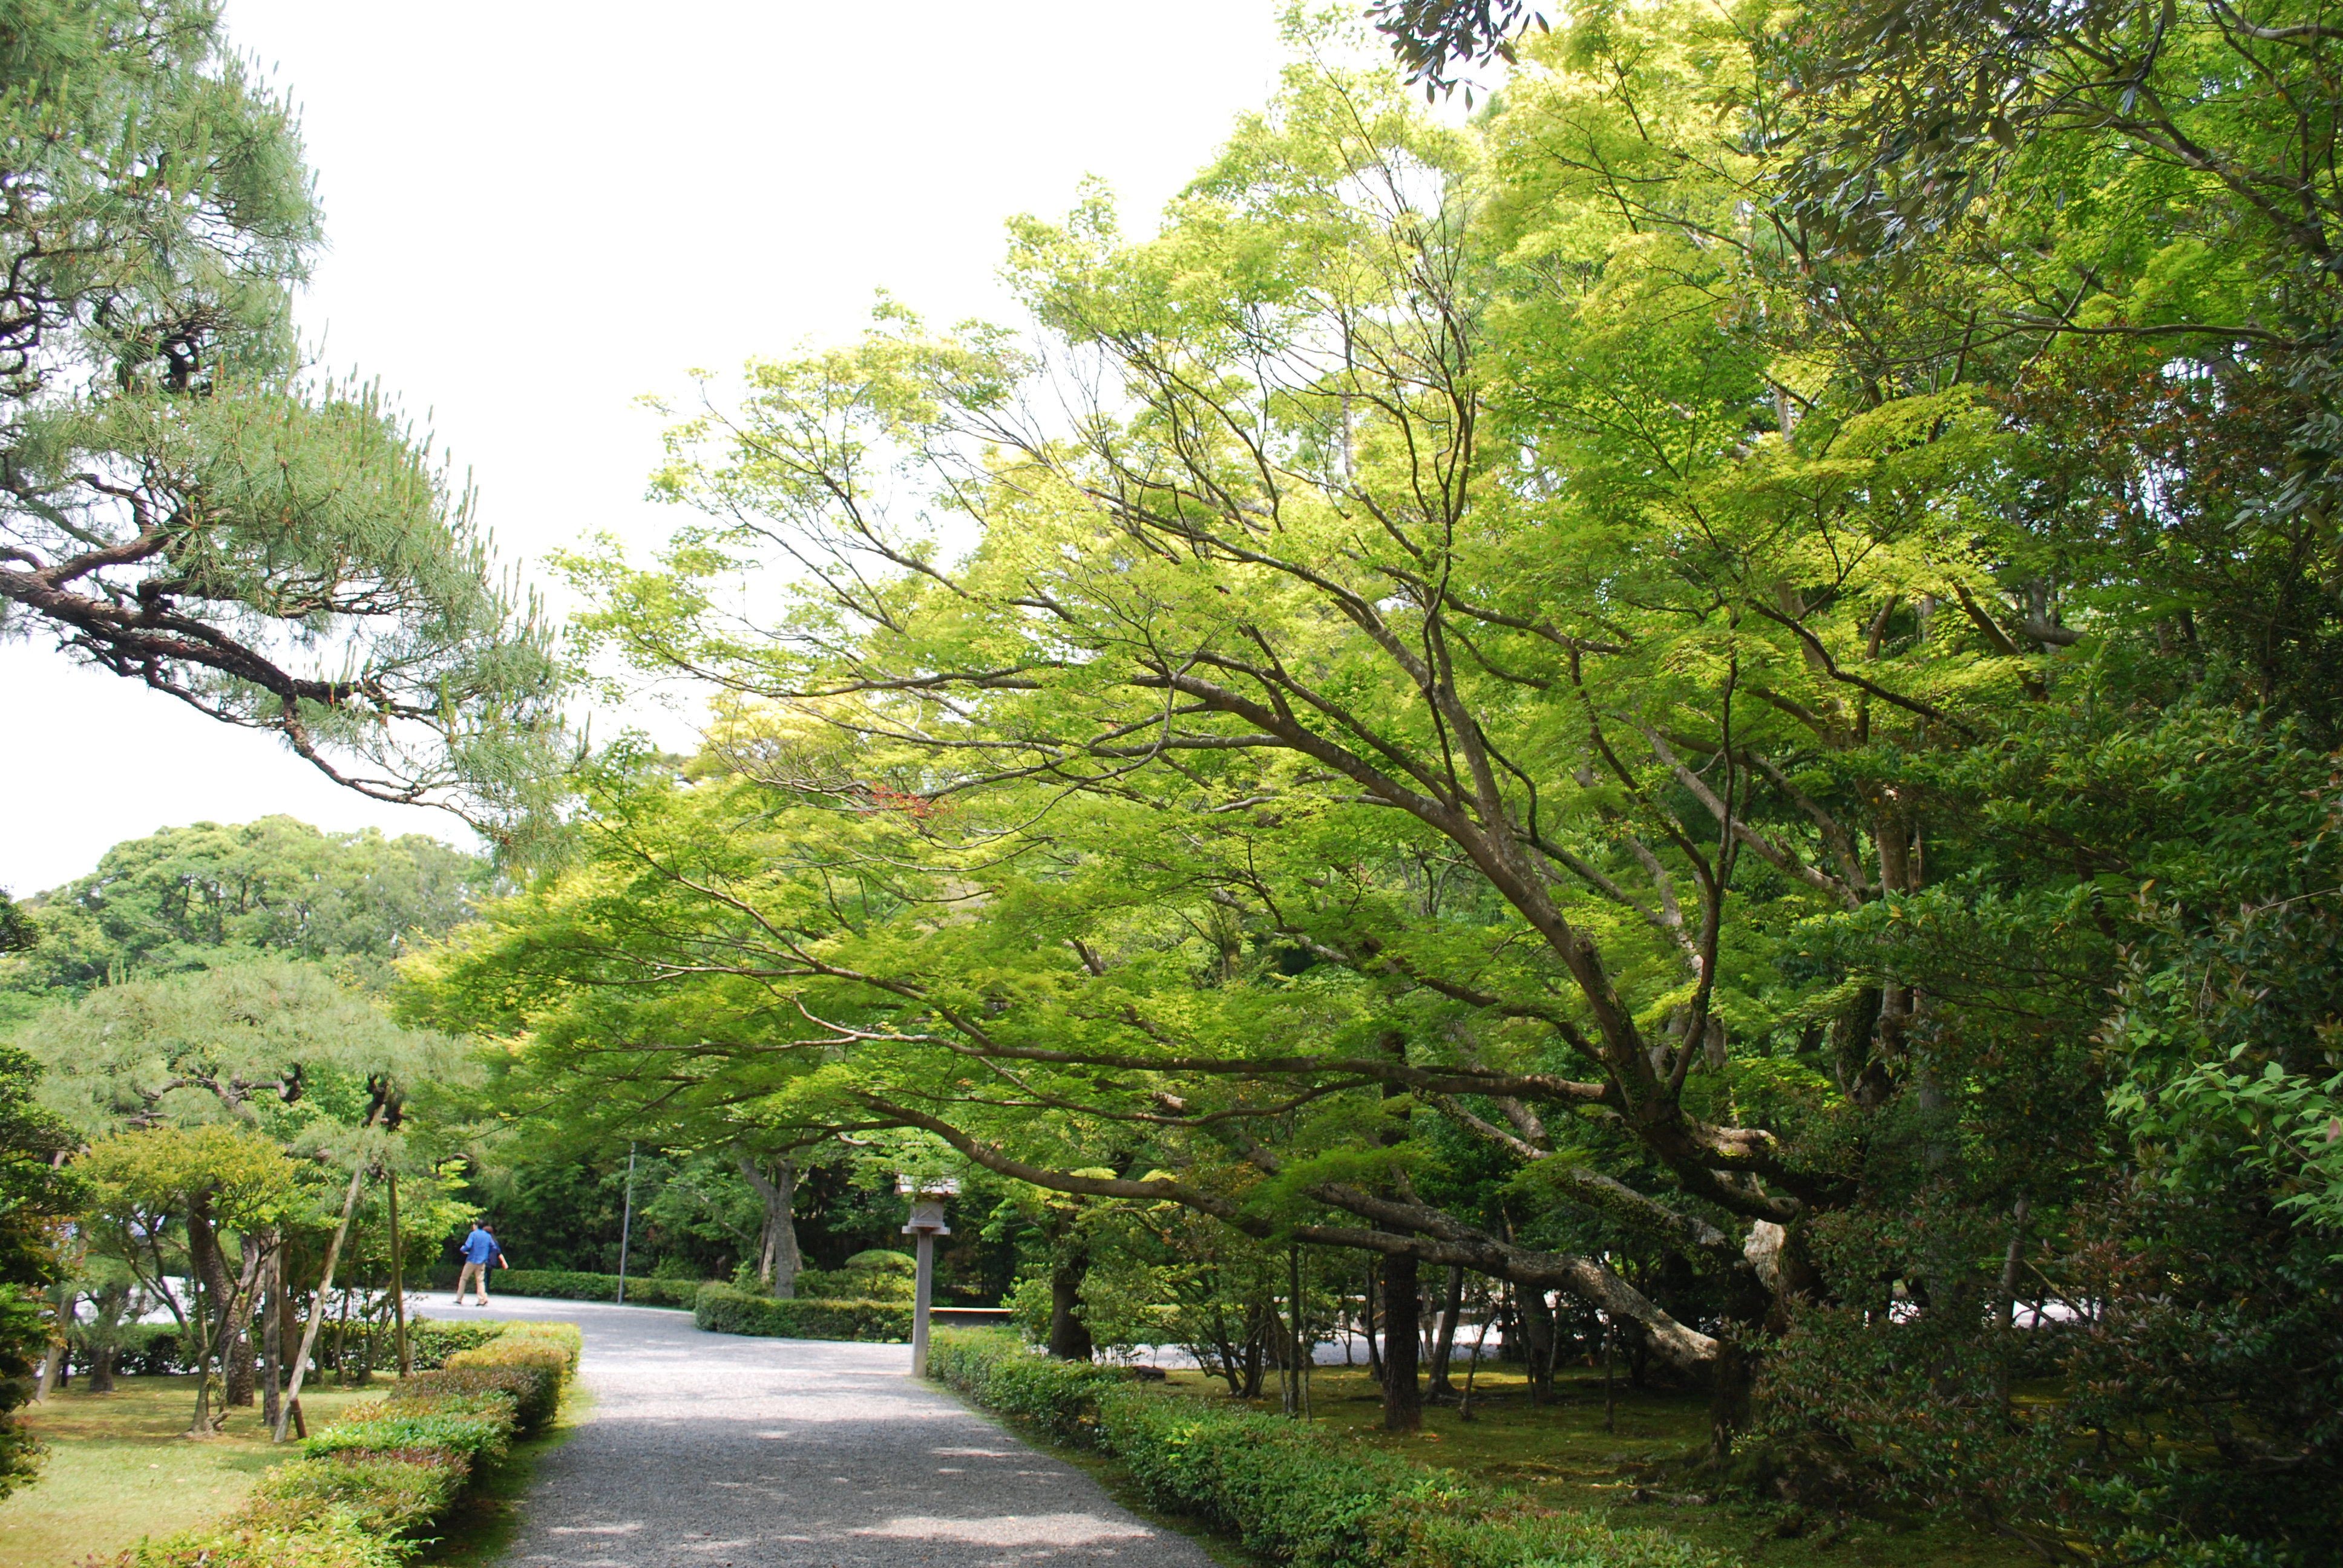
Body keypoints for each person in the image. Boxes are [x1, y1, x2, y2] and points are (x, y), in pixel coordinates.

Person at [456, 1221, 506, 1305]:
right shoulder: (488, 1236)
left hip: (472, 1260)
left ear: (476, 1226)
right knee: (480, 1281)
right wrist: (486, 1253)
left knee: (464, 1278)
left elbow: (468, 1246)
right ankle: (482, 1300)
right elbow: (494, 1247)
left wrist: (462, 1250)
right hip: (482, 1261)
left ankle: (459, 1298)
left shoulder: (473, 1234)